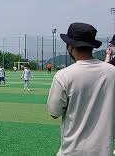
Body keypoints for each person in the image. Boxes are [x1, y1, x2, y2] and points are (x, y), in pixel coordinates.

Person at [46, 23, 115, 156]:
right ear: (92, 46)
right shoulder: (112, 72)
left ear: (70, 47)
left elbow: (54, 113)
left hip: (72, 151)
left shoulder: (63, 75)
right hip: (104, 151)